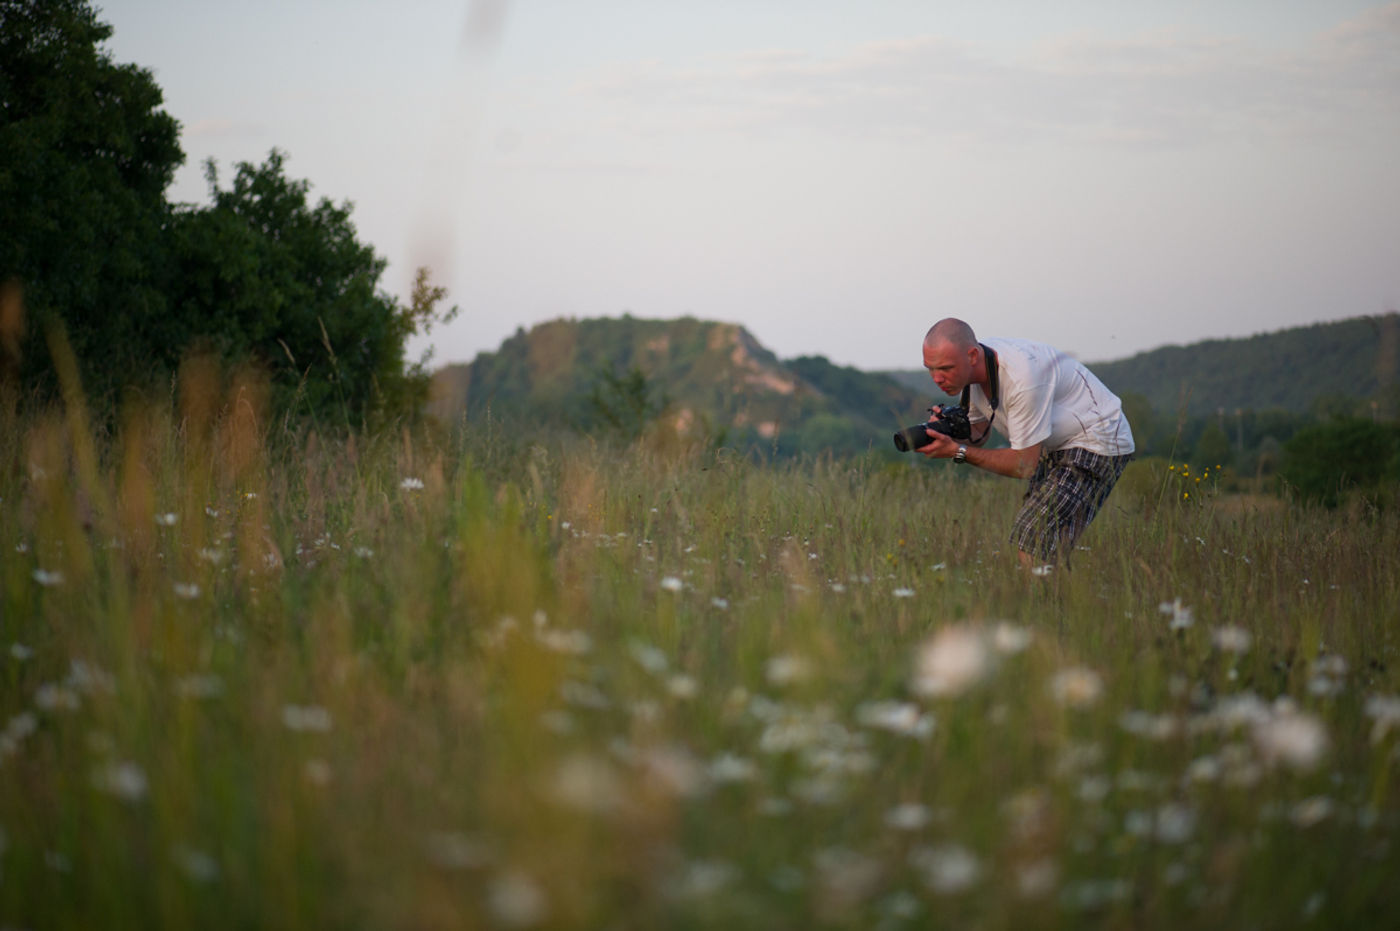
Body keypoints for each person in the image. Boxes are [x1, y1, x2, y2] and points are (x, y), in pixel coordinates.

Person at [916, 318, 1134, 567]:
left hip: (1097, 438)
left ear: (972, 355)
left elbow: (1024, 465)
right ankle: (1063, 604)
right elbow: (979, 431)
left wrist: (958, 451)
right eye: (930, 369)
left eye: (945, 368)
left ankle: (1048, 604)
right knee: (1049, 548)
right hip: (1054, 444)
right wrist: (946, 432)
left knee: (1034, 537)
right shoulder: (974, 371)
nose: (937, 378)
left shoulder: (1022, 378)